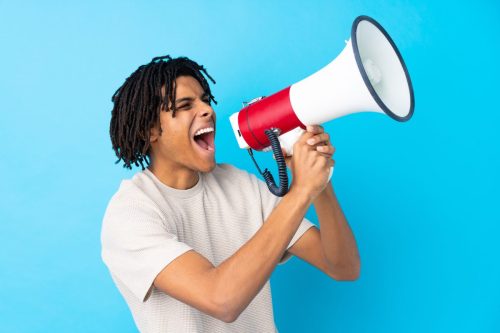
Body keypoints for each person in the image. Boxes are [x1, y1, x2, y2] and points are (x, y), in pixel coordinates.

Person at [101, 55, 360, 333]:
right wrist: (300, 191)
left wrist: (319, 183)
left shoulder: (238, 184)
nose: (207, 110)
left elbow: (343, 267)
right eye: (186, 105)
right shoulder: (130, 213)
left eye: (205, 100)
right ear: (150, 130)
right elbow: (221, 300)